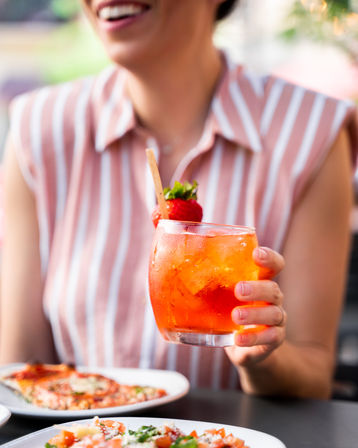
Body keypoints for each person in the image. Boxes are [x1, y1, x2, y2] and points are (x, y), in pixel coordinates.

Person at [0, 0, 357, 399]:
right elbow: (20, 375)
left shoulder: (311, 132)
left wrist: (262, 358)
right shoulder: (38, 130)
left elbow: (313, 375)